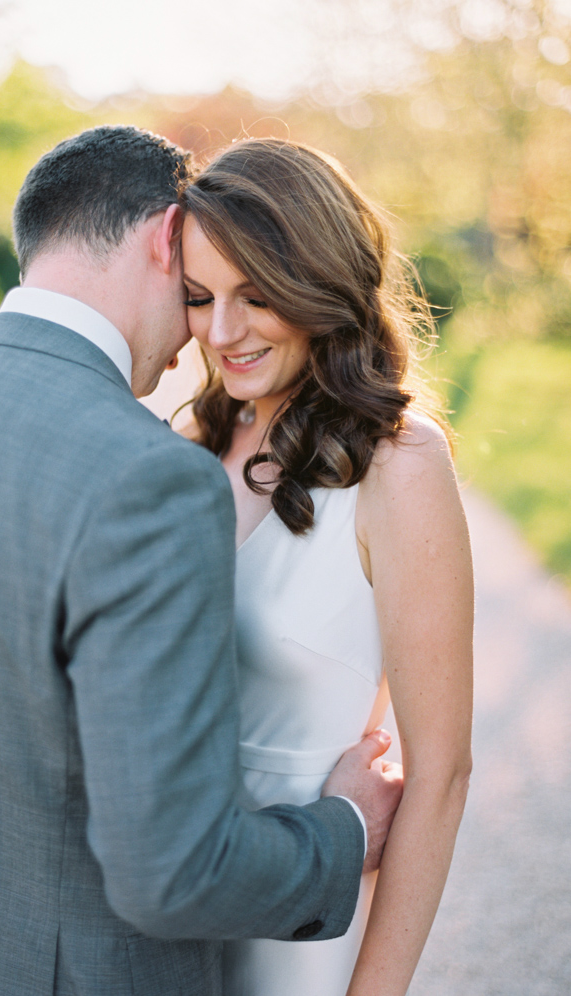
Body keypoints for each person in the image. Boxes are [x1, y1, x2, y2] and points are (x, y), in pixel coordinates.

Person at [0, 126, 403, 996]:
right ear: (165, 236)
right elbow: (171, 873)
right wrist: (344, 834)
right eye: (192, 291)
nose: (195, 339)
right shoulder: (153, 478)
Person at [179, 138, 474, 996]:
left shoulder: (400, 465)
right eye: (200, 298)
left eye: (258, 295)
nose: (222, 332)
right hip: (166, 910)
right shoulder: (185, 450)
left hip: (302, 925)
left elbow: (441, 772)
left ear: (320, 286)